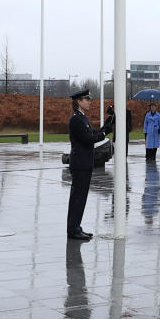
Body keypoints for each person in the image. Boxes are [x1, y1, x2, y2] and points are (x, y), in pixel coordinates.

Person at [67, 89, 106, 240]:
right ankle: (73, 229)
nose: (89, 101)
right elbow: (88, 139)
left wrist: (106, 127)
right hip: (80, 164)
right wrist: (104, 134)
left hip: (84, 163)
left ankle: (76, 227)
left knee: (80, 198)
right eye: (86, 99)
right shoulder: (76, 119)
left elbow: (93, 133)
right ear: (78, 101)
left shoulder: (82, 118)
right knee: (77, 198)